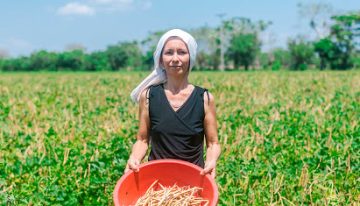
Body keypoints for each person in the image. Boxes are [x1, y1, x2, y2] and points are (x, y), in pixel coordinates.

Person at [125, 29, 221, 178]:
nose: (175, 58)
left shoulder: (205, 99)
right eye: (169, 52)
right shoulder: (149, 96)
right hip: (156, 181)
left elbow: (213, 143)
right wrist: (134, 158)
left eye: (182, 52)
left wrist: (211, 161)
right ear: (161, 60)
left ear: (191, 58)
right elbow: (142, 140)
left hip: (193, 180)